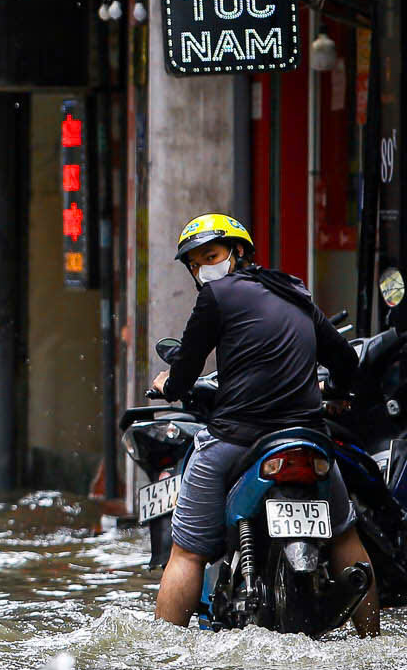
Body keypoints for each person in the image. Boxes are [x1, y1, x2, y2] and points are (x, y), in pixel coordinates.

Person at [150, 213, 378, 636]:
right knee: (346, 539)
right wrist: (335, 393)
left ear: (239, 252)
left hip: (236, 438)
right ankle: (372, 643)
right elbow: (346, 361)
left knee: (187, 553)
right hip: (308, 438)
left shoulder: (216, 296)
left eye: (211, 257)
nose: (204, 270)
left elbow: (186, 370)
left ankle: (162, 655)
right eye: (195, 264)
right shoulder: (295, 291)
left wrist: (168, 385)